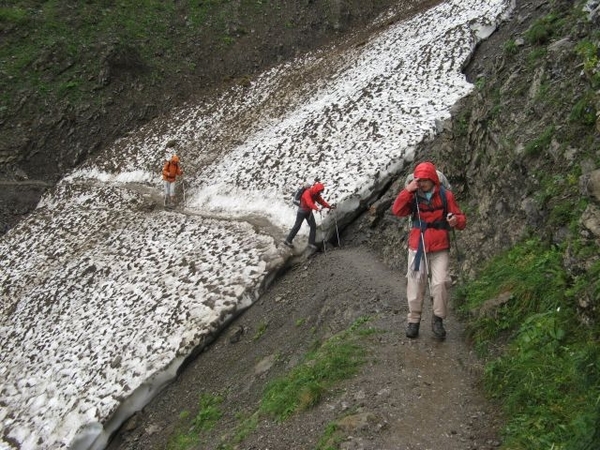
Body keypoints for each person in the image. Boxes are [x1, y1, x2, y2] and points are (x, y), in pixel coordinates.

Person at [391, 161, 466, 339]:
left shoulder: (445, 195)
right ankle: (413, 321)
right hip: (418, 246)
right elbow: (398, 210)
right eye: (419, 180)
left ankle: (438, 319)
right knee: (415, 283)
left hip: (440, 247)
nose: (421, 184)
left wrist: (456, 220)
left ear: (433, 179)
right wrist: (408, 191)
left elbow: (461, 219)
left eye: (424, 180)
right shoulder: (413, 195)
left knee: (440, 283)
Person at [284, 180, 335, 250]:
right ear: (317, 189)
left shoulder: (315, 194)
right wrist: (317, 209)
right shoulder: (307, 193)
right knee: (297, 226)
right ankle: (288, 240)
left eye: (321, 191)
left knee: (313, 226)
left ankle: (311, 243)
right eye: (320, 191)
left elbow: (321, 201)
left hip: (308, 212)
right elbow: (309, 203)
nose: (320, 192)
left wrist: (329, 207)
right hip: (302, 212)